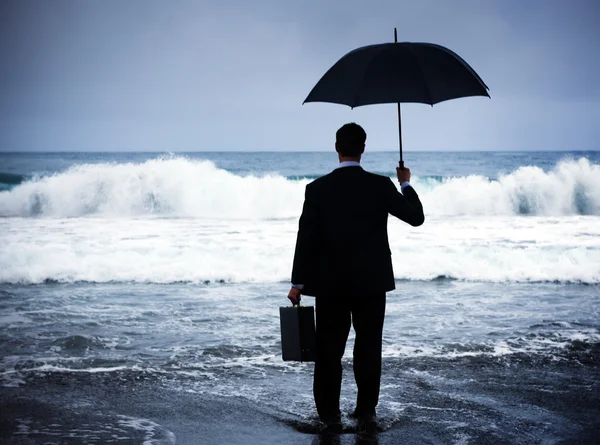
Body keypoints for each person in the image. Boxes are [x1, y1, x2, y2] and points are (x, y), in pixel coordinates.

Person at [287, 122, 424, 434]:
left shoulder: (317, 189)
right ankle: (366, 414)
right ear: (363, 148)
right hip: (371, 283)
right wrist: (405, 184)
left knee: (328, 350)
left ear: (337, 149)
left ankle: (329, 416)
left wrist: (298, 283)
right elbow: (416, 217)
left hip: (330, 285)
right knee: (368, 347)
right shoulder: (381, 185)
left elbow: (305, 238)